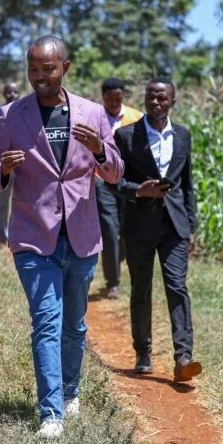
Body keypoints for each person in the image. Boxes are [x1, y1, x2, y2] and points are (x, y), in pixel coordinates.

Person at [0, 36, 123, 438]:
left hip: (80, 236)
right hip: (33, 237)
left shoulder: (92, 113)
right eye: (33, 69)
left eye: (48, 69)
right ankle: (51, 413)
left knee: (74, 325)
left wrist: (100, 150)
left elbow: (114, 172)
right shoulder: (11, 115)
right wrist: (4, 169)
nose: (39, 77)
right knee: (46, 322)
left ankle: (70, 391)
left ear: (65, 66)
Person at [111, 77, 202, 382]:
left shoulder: (184, 135)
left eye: (162, 98)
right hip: (139, 225)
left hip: (174, 226)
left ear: (172, 102)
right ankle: (143, 352)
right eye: (151, 97)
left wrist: (191, 225)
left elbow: (187, 184)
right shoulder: (126, 137)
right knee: (141, 289)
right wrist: (140, 190)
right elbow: (115, 183)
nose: (155, 102)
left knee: (177, 287)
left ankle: (183, 356)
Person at [95, 78, 143, 299]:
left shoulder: (136, 118)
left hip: (128, 180)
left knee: (125, 229)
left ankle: (118, 259)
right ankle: (112, 282)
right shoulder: (93, 118)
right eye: (110, 98)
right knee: (109, 229)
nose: (114, 102)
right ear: (103, 97)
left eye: (118, 98)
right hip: (102, 179)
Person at [0, 82, 20, 246]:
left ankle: (19, 235)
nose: (12, 95)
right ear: (4, 93)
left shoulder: (25, 112)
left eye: (15, 92)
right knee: (3, 203)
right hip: (4, 164)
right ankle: (3, 237)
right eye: (9, 92)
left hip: (23, 164)